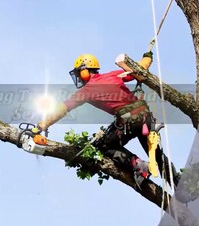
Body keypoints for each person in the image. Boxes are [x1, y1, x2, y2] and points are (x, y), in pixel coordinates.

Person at [37, 53, 180, 187]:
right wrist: (147, 56)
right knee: (157, 155)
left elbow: (63, 108)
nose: (79, 79)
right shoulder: (114, 74)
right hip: (146, 117)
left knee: (104, 147)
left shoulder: (86, 91)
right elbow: (141, 68)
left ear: (84, 71)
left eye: (78, 74)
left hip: (129, 121)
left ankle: (138, 165)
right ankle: (178, 182)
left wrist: (42, 124)